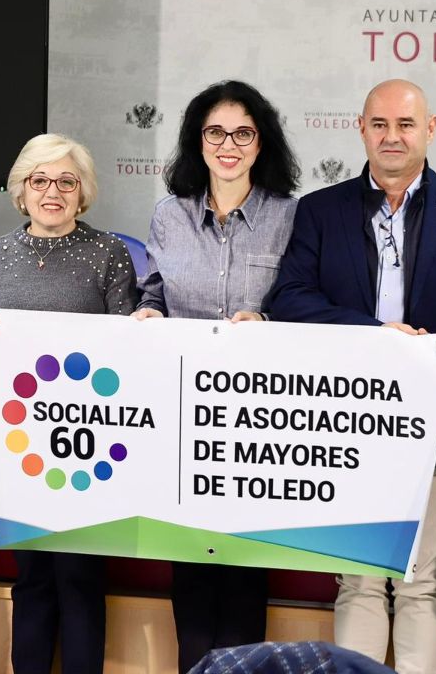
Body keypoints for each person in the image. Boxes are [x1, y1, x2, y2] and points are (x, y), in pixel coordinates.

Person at [270, 79, 436, 674]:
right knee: (359, 581)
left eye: (405, 124)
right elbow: (290, 296)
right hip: (346, 422)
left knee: (422, 581)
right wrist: (371, 330)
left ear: (431, 128)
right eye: (380, 124)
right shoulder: (320, 210)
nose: (392, 136)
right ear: (361, 128)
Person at [130, 80, 300, 673]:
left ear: (261, 144)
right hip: (184, 426)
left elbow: (304, 301)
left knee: (246, 580)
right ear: (197, 142)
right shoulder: (168, 217)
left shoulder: (289, 216)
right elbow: (153, 291)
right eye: (215, 132)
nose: (229, 145)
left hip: (259, 427)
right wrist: (146, 311)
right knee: (193, 581)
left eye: (243, 133)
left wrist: (268, 318)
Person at [0, 134, 136, 674]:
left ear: (82, 193)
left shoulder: (109, 254)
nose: (51, 191)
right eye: (40, 180)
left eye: (66, 181)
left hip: (92, 443)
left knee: (81, 576)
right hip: (20, 446)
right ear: (21, 190)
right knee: (31, 576)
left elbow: (133, 350)